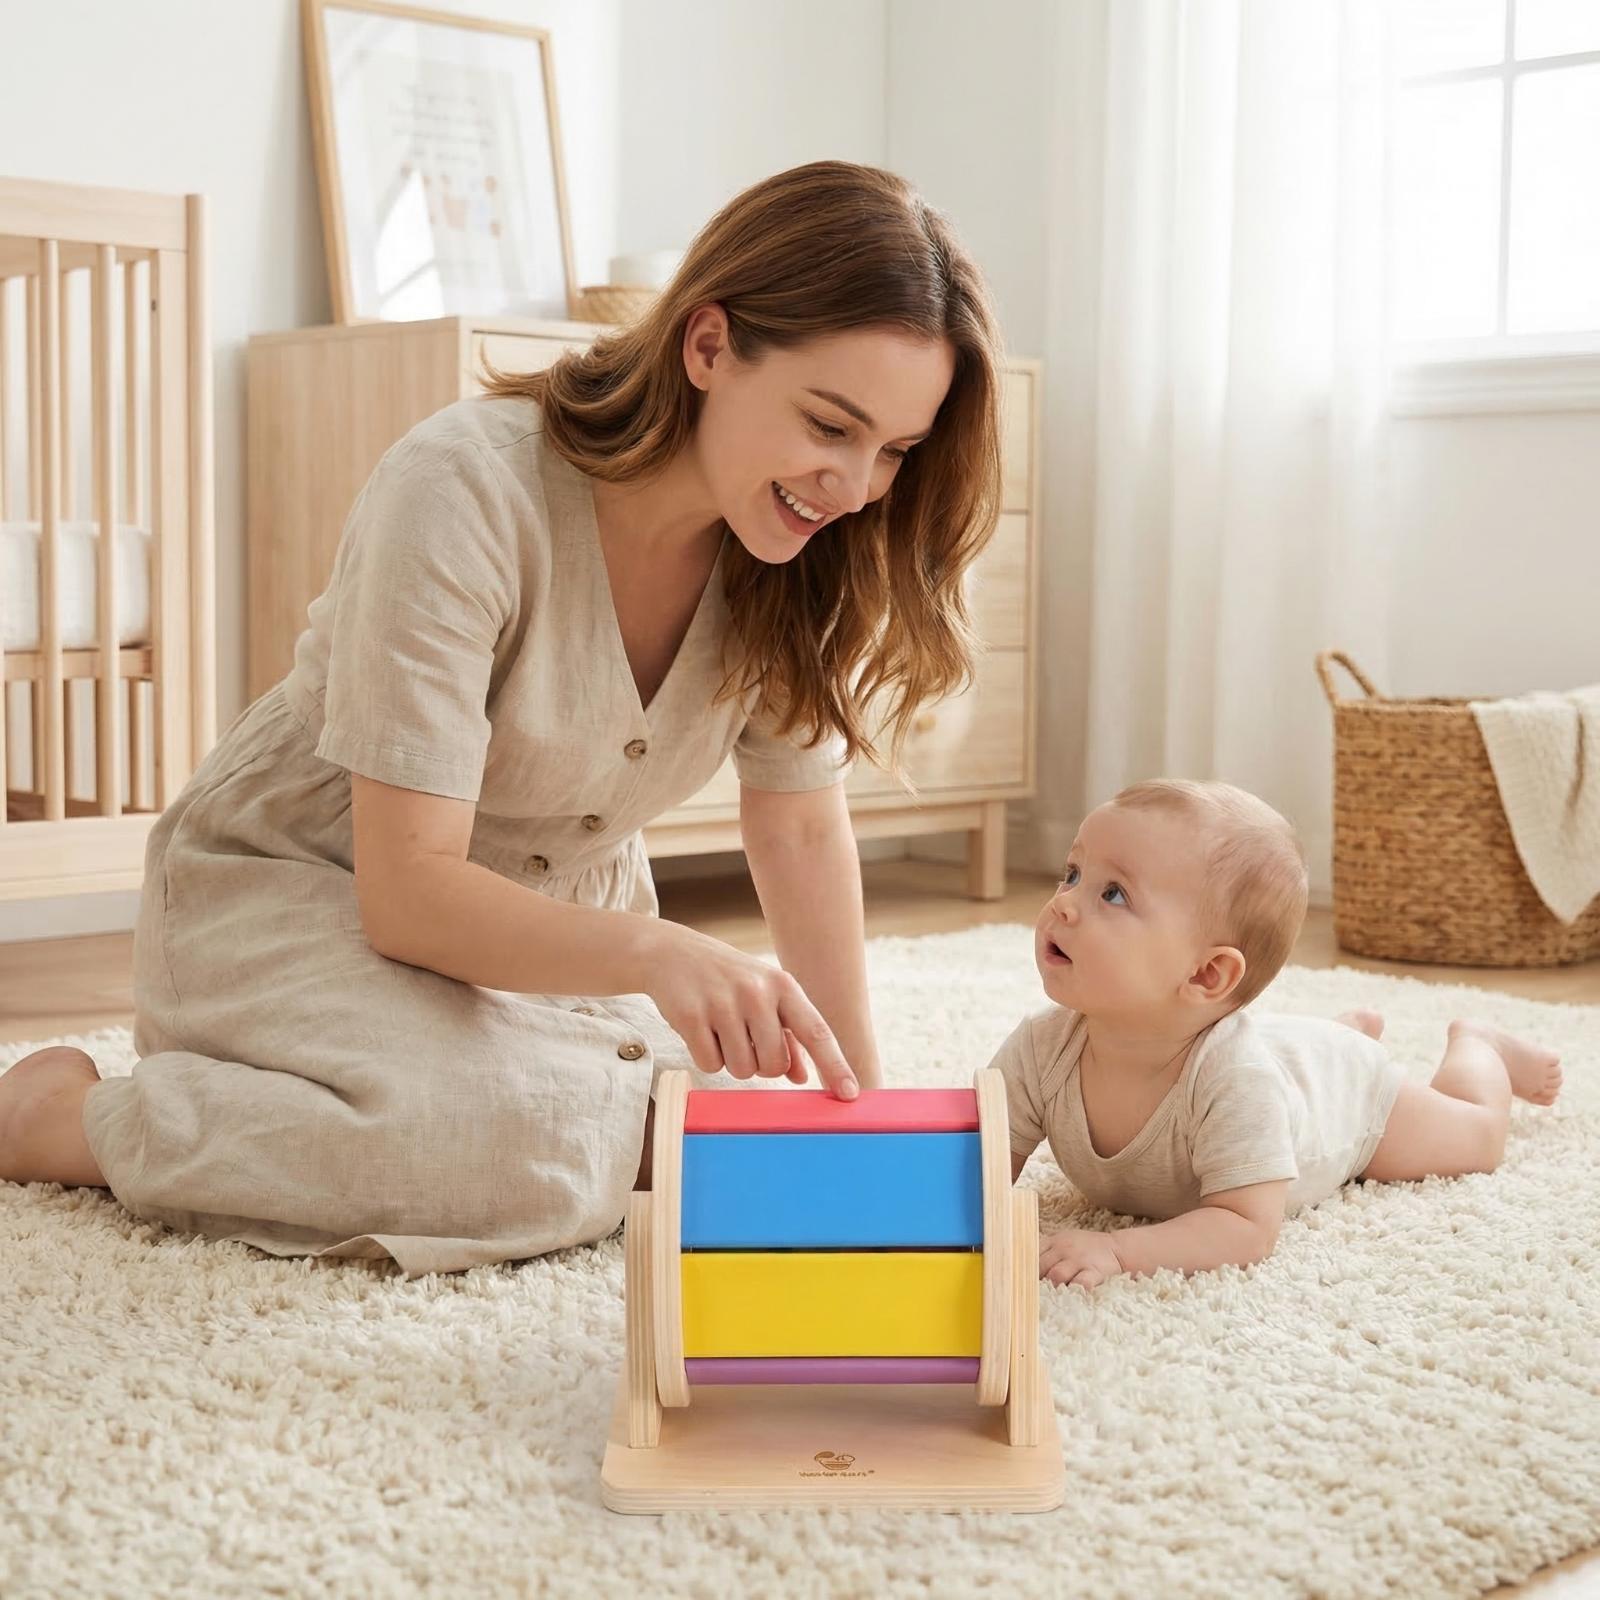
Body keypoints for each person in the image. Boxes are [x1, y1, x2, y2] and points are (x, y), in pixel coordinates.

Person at [0, 161, 1007, 1276]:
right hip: (302, 889)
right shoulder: (463, 488)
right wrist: (658, 952)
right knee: (504, 1141)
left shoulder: (802, 556)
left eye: (894, 452)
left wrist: (858, 1110)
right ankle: (66, 1121)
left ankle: (402, 1095)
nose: (855, 487)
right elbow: (408, 892)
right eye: (830, 426)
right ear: (710, 346)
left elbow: (802, 827)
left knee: (721, 1125)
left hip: (553, 929)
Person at [990, 779, 1563, 1287]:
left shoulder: (1236, 1082)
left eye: (1113, 893)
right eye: (1073, 874)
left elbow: (1245, 1227)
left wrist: (1118, 1250)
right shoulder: (1041, 1049)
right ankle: (1345, 1030)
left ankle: (1479, 1045)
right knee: (1288, 1053)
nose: (1064, 904)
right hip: (1283, 1053)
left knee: (1478, 1140)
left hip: (1348, 1092)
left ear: (1206, 974)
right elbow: (979, 1165)